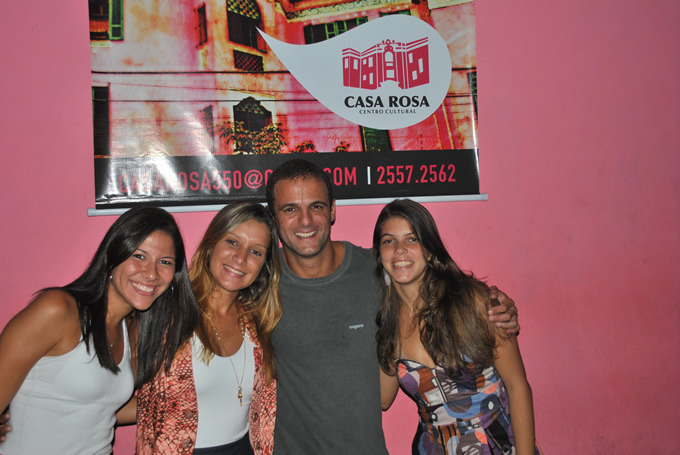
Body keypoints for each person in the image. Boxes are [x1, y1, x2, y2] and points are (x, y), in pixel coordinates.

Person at [264, 159, 519, 454]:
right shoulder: (260, 282)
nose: (305, 221)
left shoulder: (382, 270)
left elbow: (444, 287)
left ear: (332, 210)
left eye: (317, 206)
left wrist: (493, 303)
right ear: (273, 216)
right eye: (290, 209)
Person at [0, 206, 198, 455]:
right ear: (113, 256)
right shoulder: (59, 310)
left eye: (165, 262)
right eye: (139, 256)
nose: (151, 273)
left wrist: (195, 399)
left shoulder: (132, 330)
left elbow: (100, 409)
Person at [375, 199, 537, 454]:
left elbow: (518, 386)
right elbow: (383, 399)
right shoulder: (389, 323)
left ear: (429, 250)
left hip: (497, 445)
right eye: (388, 241)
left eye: (412, 239)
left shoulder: (474, 302)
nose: (399, 250)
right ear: (380, 254)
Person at [136, 202, 281, 455]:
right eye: (232, 242)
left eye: (256, 252)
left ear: (264, 266)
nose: (241, 258)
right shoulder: (167, 312)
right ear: (211, 244)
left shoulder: (259, 323)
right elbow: (111, 394)